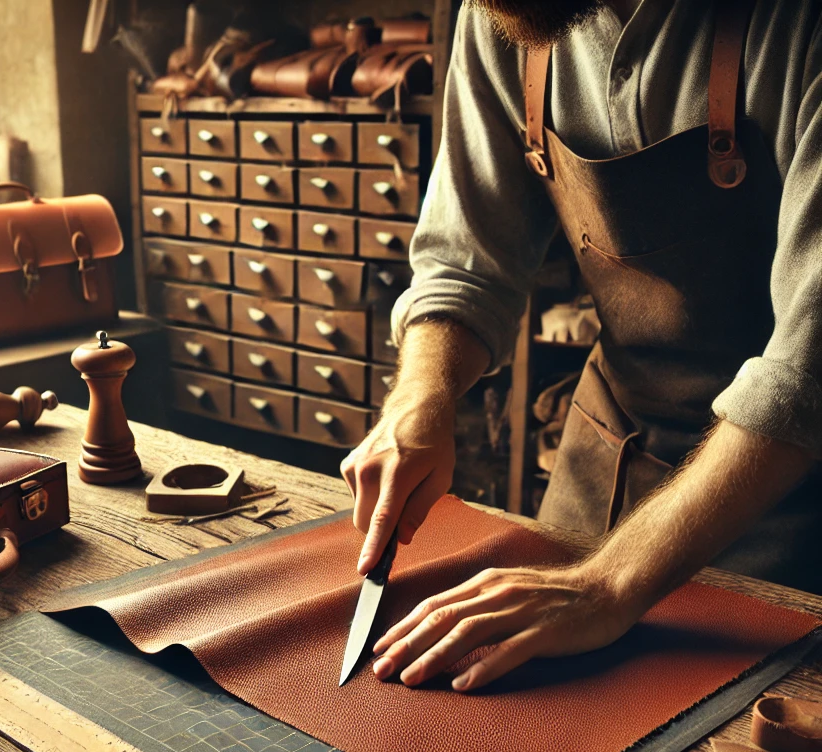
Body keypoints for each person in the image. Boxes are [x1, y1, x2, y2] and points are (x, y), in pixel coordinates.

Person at [341, 0, 822, 692]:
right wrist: (420, 398)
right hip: (606, 462)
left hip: (791, 509)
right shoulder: (510, 13)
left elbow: (808, 367)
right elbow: (465, 260)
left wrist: (606, 585)